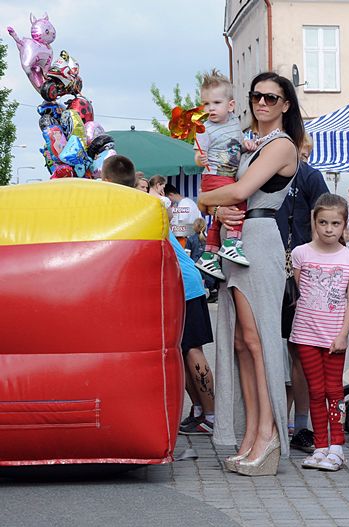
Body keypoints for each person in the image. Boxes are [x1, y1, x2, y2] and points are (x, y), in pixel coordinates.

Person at [199, 71, 304, 477]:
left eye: (271, 98)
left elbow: (240, 192)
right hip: (236, 237)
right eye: (257, 96)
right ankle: (250, 432)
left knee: (256, 340)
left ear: (285, 105)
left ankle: (269, 432)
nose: (262, 103)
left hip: (259, 238)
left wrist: (205, 200)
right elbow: (230, 191)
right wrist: (218, 208)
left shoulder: (280, 146)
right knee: (242, 341)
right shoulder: (247, 142)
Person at [103, 155, 217, 436]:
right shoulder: (135, 206)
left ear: (107, 182)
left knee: (192, 349)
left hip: (185, 285)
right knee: (181, 349)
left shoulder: (139, 207)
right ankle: (201, 411)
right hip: (178, 284)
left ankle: (215, 415)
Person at [290, 194, 349, 471]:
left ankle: (337, 446)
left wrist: (344, 333)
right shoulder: (301, 253)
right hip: (306, 334)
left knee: (334, 391)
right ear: (314, 222)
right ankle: (321, 445)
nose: (329, 229)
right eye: (323, 222)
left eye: (335, 223)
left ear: (345, 224)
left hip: (334, 336)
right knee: (315, 390)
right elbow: (302, 289)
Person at [275, 140, 331, 454]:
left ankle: (299, 424)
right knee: (269, 347)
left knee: (300, 350)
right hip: (270, 265)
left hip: (299, 271)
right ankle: (276, 422)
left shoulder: (310, 177)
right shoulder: (265, 173)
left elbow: (324, 216)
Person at [194, 70, 253, 280]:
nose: (210, 108)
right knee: (239, 201)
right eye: (206, 104)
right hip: (215, 174)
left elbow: (236, 147)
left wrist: (247, 146)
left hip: (227, 173)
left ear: (230, 105)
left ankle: (209, 255)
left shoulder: (235, 123)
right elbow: (197, 154)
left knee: (220, 218)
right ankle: (231, 243)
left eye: (216, 103)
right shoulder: (204, 129)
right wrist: (200, 160)